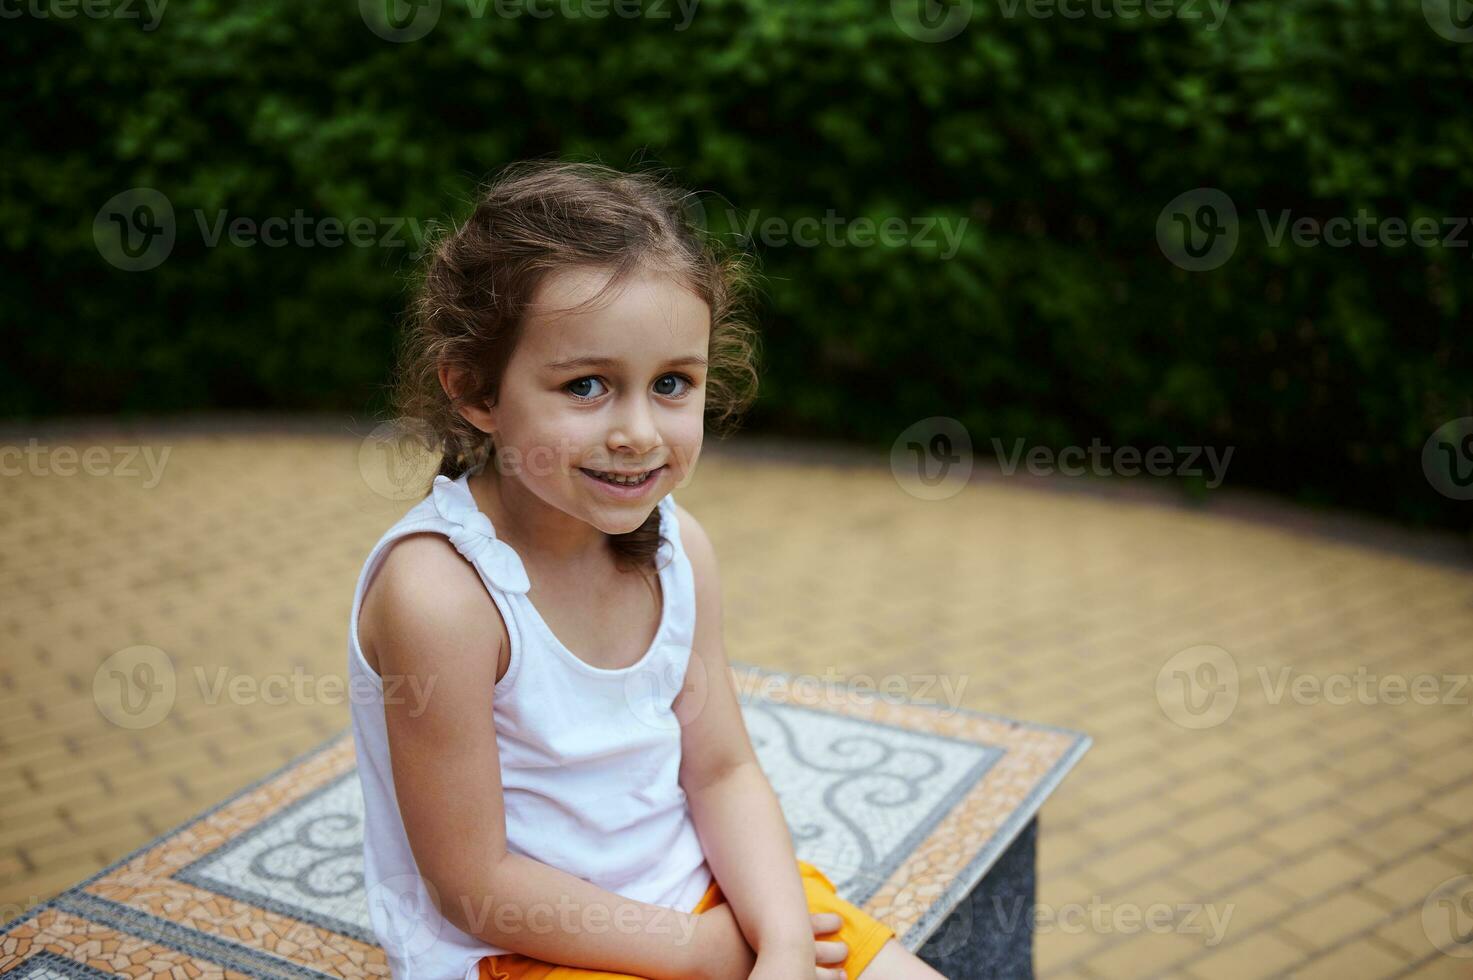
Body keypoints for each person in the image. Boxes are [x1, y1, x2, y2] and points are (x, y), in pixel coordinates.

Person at [348, 159, 947, 980]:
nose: (637, 431)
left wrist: (777, 944)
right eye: (586, 386)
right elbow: (473, 884)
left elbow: (722, 768)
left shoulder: (678, 549)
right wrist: (701, 956)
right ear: (476, 392)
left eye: (671, 384)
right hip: (528, 949)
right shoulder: (441, 595)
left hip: (697, 899)